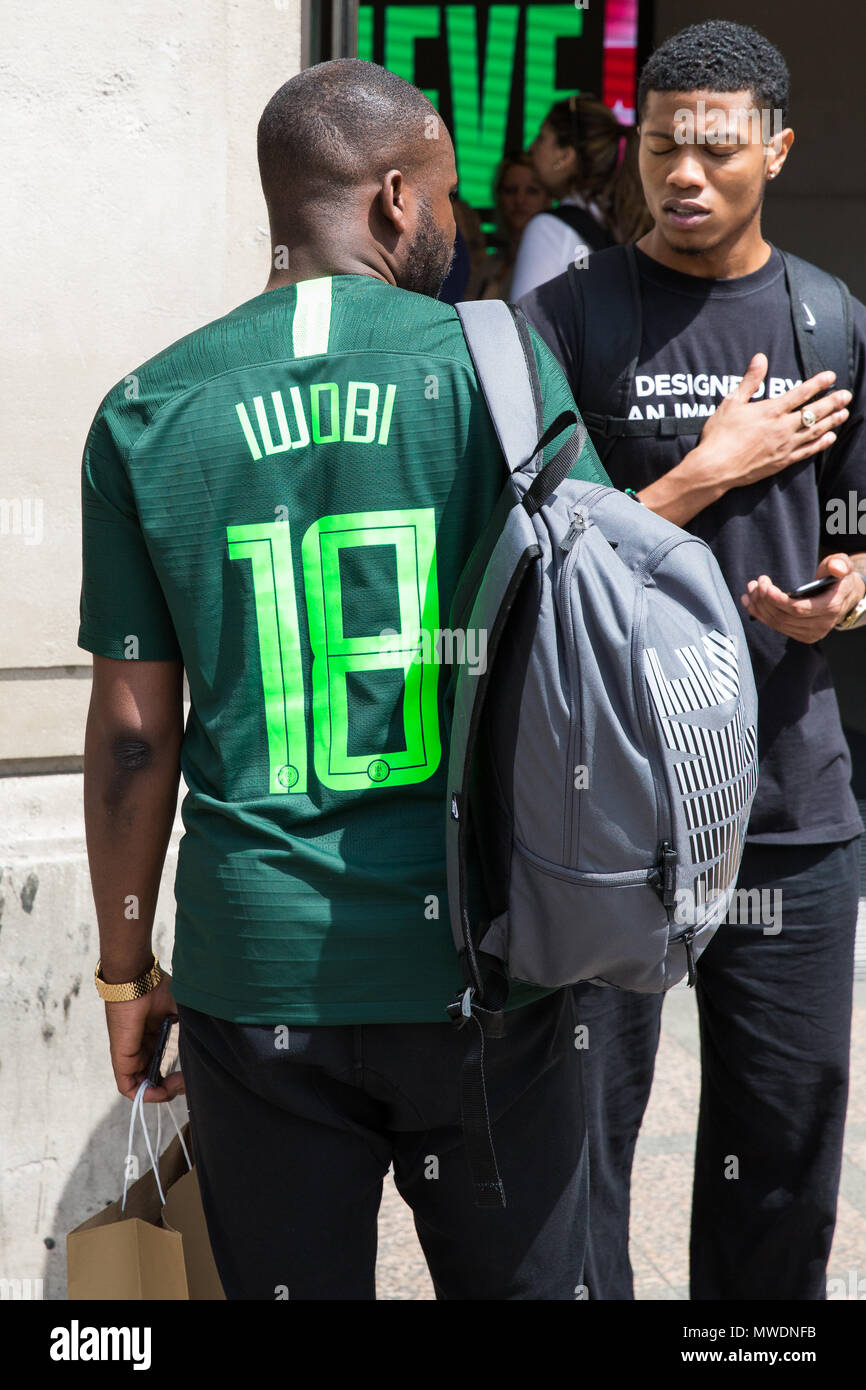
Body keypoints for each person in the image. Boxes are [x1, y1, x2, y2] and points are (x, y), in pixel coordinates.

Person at [78, 58, 609, 1300]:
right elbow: (591, 629)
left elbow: (134, 738)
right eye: (441, 194)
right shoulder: (499, 372)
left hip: (255, 970)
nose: (454, 222)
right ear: (389, 203)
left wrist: (121, 969)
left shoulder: (148, 407)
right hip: (483, 953)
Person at [519, 19, 866, 1301]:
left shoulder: (829, 319)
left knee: (781, 1154)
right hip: (606, 813)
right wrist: (697, 476)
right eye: (663, 146)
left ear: (775, 148)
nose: (684, 175)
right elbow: (521, 555)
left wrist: (840, 599)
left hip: (786, 803)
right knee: (580, 1154)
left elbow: (858, 532)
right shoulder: (565, 315)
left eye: (717, 150)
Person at [509, 93, 651, 301]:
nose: (531, 148)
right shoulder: (624, 223)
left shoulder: (550, 229)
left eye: (541, 138)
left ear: (564, 156)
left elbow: (523, 328)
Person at [467, 152, 550, 301]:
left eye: (531, 191)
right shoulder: (488, 264)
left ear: (548, 199)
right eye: (511, 190)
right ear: (499, 197)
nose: (519, 200)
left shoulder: (552, 265)